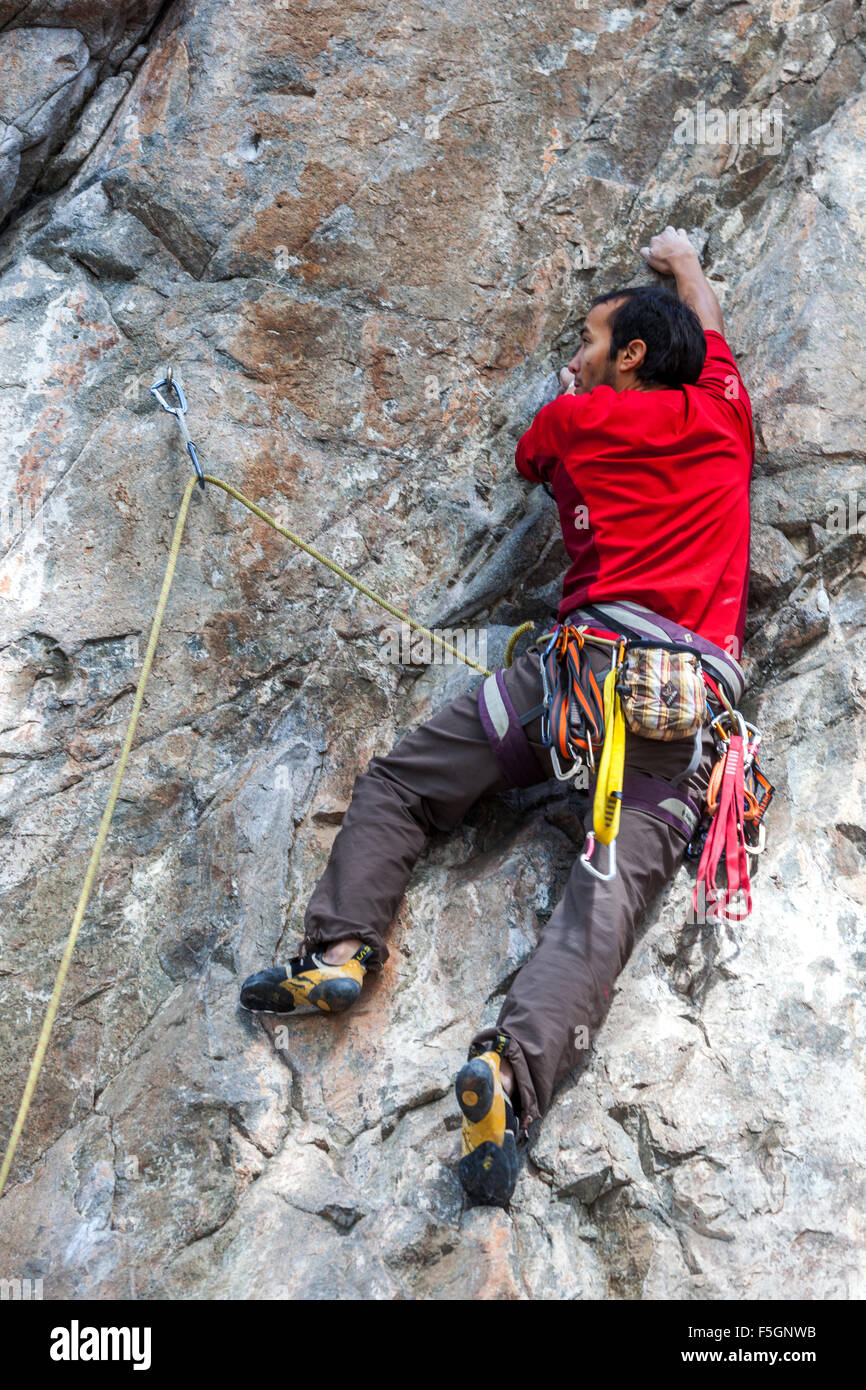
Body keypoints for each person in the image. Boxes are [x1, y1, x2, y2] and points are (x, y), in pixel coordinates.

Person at [239, 226, 755, 1208]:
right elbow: (710, 332)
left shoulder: (572, 422)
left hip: (569, 684)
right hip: (676, 711)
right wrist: (685, 264)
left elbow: (532, 459)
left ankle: (338, 955)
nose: (577, 356)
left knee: (402, 783)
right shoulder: (723, 417)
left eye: (591, 341)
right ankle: (507, 1086)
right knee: (601, 907)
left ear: (631, 354)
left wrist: (572, 397)